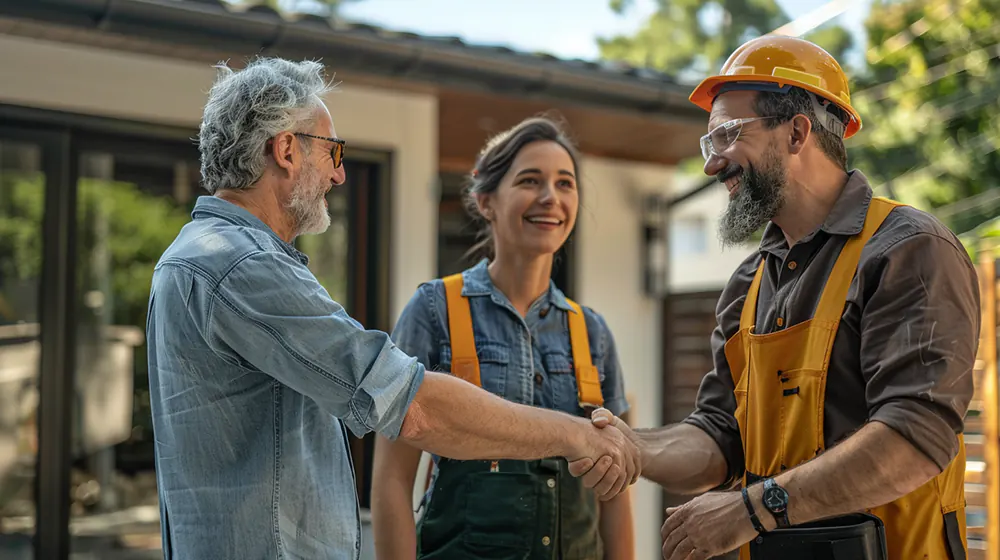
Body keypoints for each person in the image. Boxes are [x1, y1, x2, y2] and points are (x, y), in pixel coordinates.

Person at [145, 57, 640, 560]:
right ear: (287, 150)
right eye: (332, 150)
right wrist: (576, 435)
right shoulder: (240, 266)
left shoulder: (210, 257)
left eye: (565, 183)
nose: (338, 174)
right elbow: (415, 408)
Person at [577, 35, 981, 560]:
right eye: (709, 143)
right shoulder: (747, 285)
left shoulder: (909, 250)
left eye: (726, 135)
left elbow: (914, 439)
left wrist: (751, 510)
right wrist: (633, 447)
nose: (711, 164)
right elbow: (722, 437)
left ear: (796, 132)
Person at [370, 116, 635, 559]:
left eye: (565, 184)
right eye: (531, 180)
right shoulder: (435, 310)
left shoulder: (593, 333)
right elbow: (392, 481)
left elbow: (615, 492)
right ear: (486, 200)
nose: (551, 198)